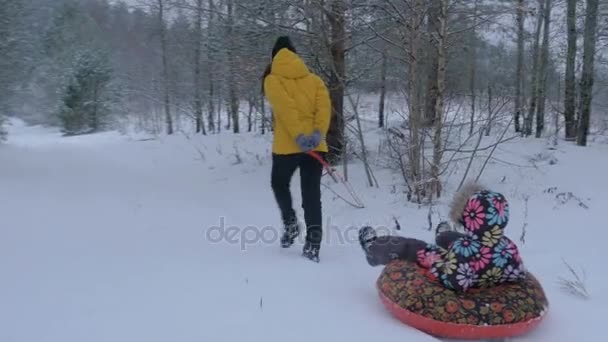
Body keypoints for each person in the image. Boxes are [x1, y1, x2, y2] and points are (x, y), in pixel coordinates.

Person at [359, 183, 527, 292]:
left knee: (413, 247)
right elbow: (518, 273)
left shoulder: (463, 249)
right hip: (477, 253)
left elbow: (455, 281)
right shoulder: (509, 246)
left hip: (457, 262)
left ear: (470, 217)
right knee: (465, 240)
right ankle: (443, 236)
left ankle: (373, 249)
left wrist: (435, 263)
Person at [262, 36, 331, 263]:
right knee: (312, 196)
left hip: (287, 147)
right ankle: (313, 245)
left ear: (275, 56)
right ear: (295, 54)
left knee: (279, 184)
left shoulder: (272, 79)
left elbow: (285, 109)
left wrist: (299, 137)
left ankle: (291, 223)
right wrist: (317, 135)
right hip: (316, 146)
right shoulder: (314, 80)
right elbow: (324, 109)